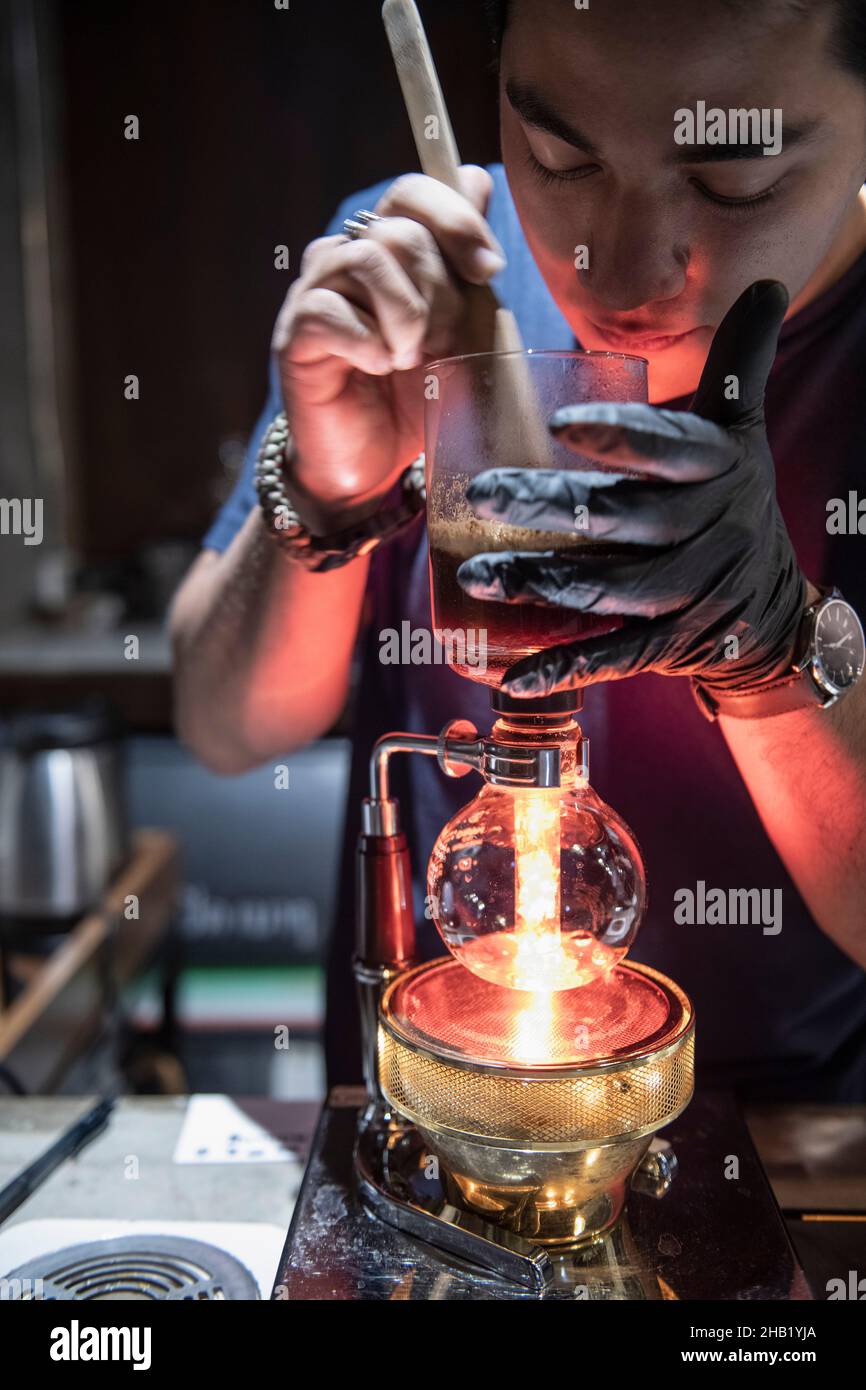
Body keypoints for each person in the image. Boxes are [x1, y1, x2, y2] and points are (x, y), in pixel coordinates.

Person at [171, 0, 866, 1100]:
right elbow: (225, 725)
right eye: (559, 158)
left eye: (732, 182)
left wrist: (768, 653)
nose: (627, 272)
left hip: (771, 1140)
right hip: (419, 1105)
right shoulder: (423, 278)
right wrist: (330, 489)